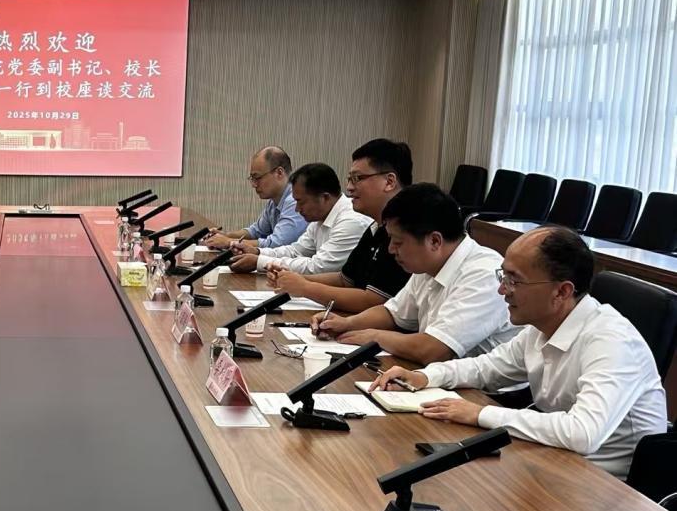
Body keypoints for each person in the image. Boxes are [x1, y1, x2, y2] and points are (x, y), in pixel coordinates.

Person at [371, 226, 667, 479]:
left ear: (562, 291)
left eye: (514, 280)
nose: (502, 290)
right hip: (555, 460)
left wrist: (480, 413)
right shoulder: (542, 325)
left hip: (608, 489)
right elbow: (487, 368)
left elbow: (582, 433)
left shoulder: (612, 341)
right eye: (503, 276)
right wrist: (425, 376)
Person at [315, 183, 519, 362]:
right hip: (443, 377)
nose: (391, 249)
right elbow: (393, 313)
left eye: (398, 242)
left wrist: (374, 336)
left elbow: (433, 350)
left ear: (434, 241)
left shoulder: (483, 275)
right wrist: (346, 323)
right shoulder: (429, 263)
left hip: (483, 390)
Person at [268, 139, 412, 313]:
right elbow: (345, 280)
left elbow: (373, 301)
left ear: (389, 182)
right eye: (349, 179)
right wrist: (293, 279)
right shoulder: (375, 227)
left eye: (357, 178)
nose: (349, 188)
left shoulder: (408, 231)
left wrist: (305, 287)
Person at [231, 163, 371, 275]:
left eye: (300, 202)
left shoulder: (351, 221)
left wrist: (260, 262)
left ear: (324, 198)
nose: (297, 209)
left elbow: (318, 267)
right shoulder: (320, 218)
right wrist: (257, 252)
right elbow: (296, 251)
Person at [202, 146, 306, 252]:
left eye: (257, 178)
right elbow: (256, 231)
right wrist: (225, 235)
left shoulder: (294, 201)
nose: (254, 185)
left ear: (279, 173)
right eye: (252, 179)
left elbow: (277, 243)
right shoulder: (274, 201)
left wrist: (229, 242)